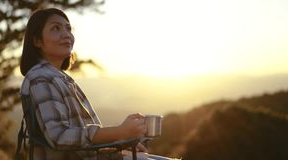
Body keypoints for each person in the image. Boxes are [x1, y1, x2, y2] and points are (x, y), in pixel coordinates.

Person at [20, 8, 177, 160]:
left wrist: (120, 144)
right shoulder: (41, 78)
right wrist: (120, 132)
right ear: (37, 41)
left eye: (69, 29)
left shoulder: (59, 77)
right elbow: (60, 137)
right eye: (56, 28)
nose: (66, 35)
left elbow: (82, 142)